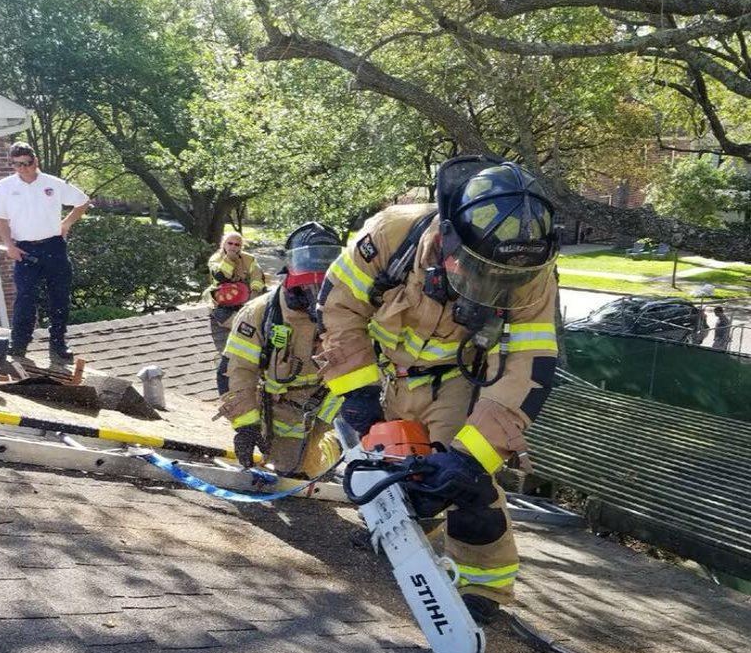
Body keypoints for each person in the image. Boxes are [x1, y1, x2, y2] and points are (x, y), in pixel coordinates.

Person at [318, 156, 559, 619]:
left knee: (465, 481)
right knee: (394, 463)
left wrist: (470, 458)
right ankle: (407, 537)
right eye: (480, 271)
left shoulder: (535, 277)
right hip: (385, 371)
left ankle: (485, 590)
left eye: (504, 281)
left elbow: (528, 368)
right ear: (447, 240)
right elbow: (339, 308)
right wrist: (357, 390)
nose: (490, 288)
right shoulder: (393, 235)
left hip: (456, 377)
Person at [218, 222, 343, 477]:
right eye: (309, 287)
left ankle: (333, 458)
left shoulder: (347, 311)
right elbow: (236, 372)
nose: (316, 297)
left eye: (325, 287)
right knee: (291, 474)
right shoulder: (260, 313)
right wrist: (246, 427)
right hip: (281, 412)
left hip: (333, 407)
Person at [0, 142, 90, 363]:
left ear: (35, 161)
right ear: (12, 165)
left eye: (26, 163)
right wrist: (9, 246)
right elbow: (1, 219)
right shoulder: (5, 186)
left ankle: (58, 344)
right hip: (24, 250)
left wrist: (66, 224)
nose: (23, 169)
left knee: (59, 296)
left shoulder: (53, 184)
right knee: (25, 298)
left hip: (53, 246)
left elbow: (83, 201)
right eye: (17, 165)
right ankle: (18, 345)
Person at [206, 231, 266, 395]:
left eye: (237, 244)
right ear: (223, 244)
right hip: (223, 304)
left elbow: (257, 277)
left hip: (246, 301)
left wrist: (254, 293)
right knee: (241, 329)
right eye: (230, 243)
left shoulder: (250, 259)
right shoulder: (215, 259)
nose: (233, 247)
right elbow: (220, 277)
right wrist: (230, 259)